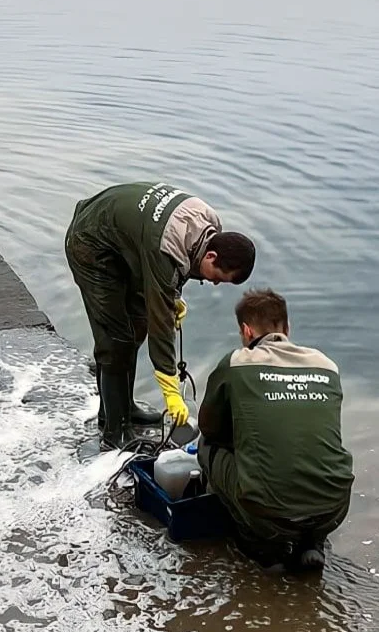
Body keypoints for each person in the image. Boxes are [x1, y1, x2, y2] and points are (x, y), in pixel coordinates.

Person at [64, 181, 256, 450]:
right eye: (218, 278)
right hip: (91, 244)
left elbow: (177, 268)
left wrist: (172, 297)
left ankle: (124, 409)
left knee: (136, 329)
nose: (213, 284)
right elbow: (161, 327)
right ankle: (114, 432)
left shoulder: (208, 224)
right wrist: (171, 392)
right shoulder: (167, 247)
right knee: (116, 340)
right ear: (212, 255)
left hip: (126, 244)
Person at [196, 288, 354, 571]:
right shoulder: (326, 365)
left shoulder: (236, 362)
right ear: (288, 328)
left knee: (206, 446)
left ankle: (262, 548)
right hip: (334, 507)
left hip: (267, 512)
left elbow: (210, 427)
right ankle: (312, 542)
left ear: (246, 331)